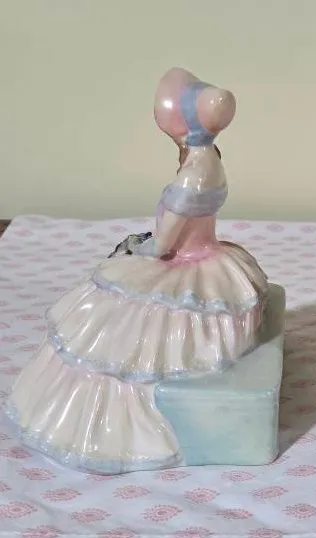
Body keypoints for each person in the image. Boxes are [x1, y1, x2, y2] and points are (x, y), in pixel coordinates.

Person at [4, 68, 268, 473]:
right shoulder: (211, 158)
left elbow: (163, 244)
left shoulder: (193, 175)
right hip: (209, 253)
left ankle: (114, 430)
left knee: (114, 329)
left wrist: (135, 250)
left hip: (187, 261)